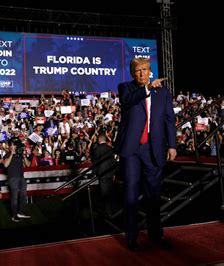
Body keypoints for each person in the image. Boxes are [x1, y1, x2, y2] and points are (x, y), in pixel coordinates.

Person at [114, 57, 177, 251]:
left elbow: (169, 120)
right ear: (133, 73)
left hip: (154, 149)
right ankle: (132, 238)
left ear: (150, 70)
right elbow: (127, 101)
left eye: (145, 70)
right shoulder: (126, 88)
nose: (142, 73)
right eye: (138, 70)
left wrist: (172, 145)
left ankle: (156, 235)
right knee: (131, 195)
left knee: (154, 196)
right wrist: (147, 88)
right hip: (132, 149)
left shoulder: (163, 92)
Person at [3, 140, 31, 222]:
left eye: (14, 145)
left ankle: (20, 212)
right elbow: (5, 165)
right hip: (12, 178)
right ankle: (14, 215)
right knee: (14, 197)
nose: (12, 147)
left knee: (23, 196)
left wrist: (24, 156)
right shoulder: (7, 154)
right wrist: (11, 154)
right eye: (11, 145)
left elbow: (28, 165)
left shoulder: (20, 154)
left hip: (21, 177)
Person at [90, 134, 116, 217]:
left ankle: (108, 212)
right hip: (110, 172)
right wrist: (114, 172)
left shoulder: (97, 149)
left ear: (99, 139)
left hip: (102, 173)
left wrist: (93, 174)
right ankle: (113, 209)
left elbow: (96, 162)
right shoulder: (110, 148)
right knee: (111, 191)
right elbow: (113, 162)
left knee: (104, 192)